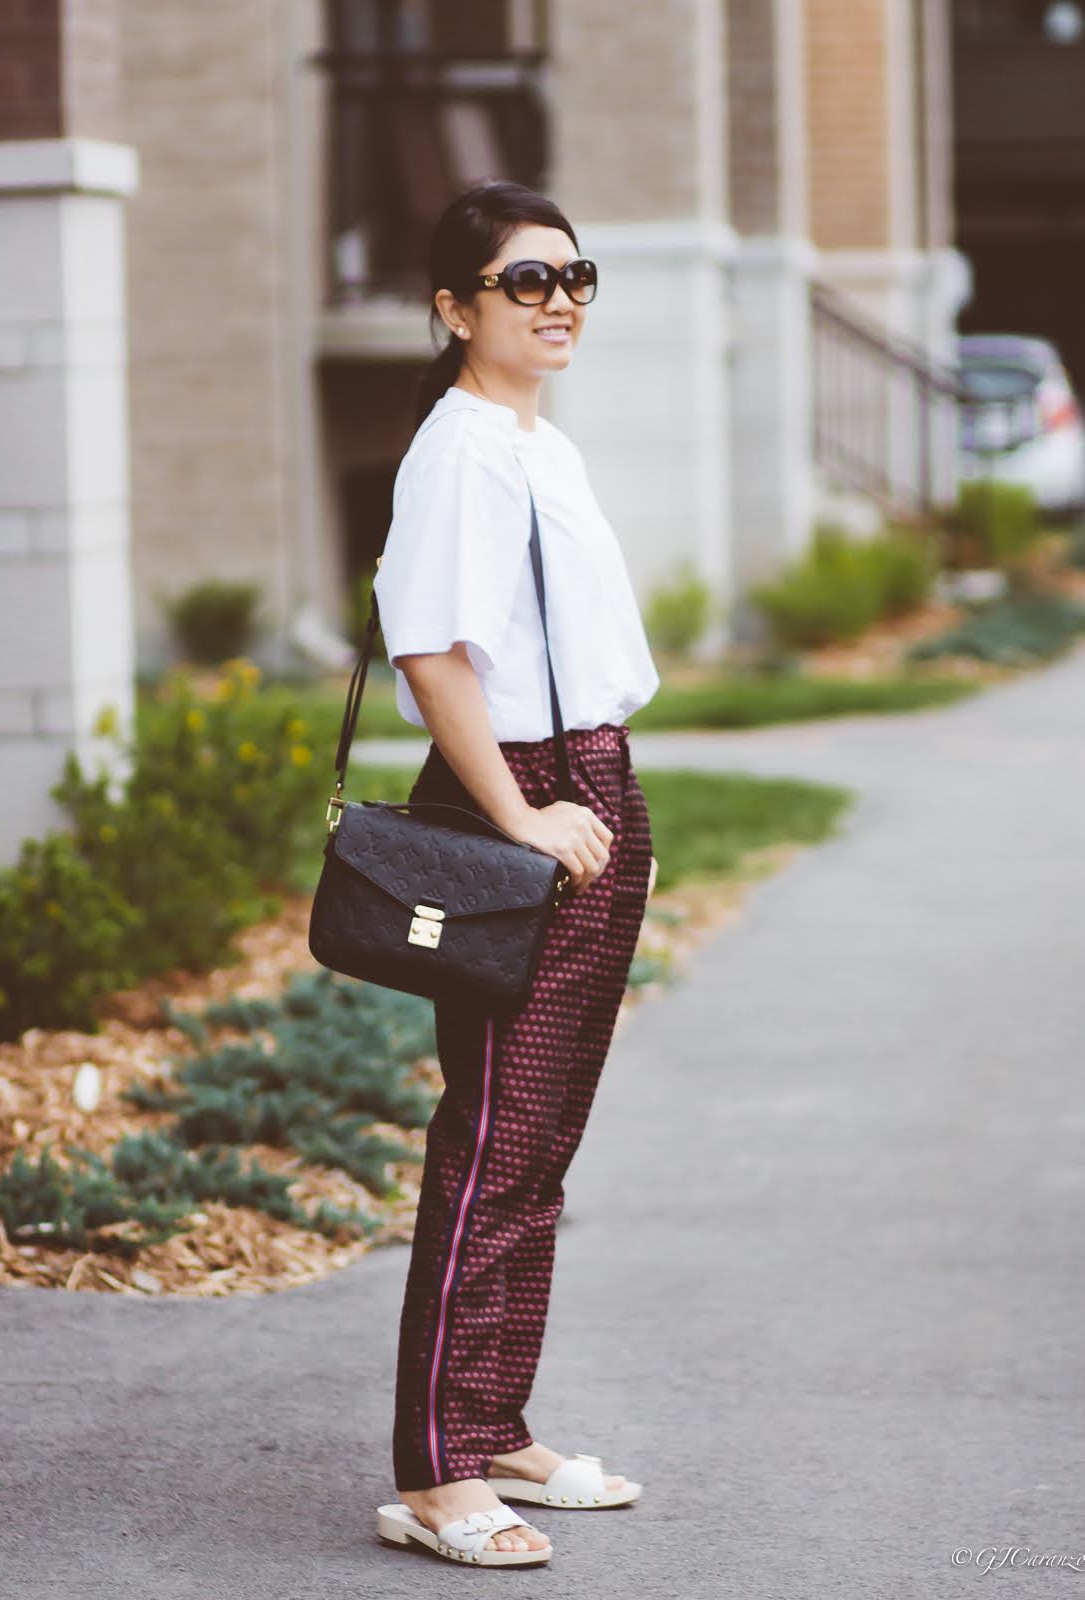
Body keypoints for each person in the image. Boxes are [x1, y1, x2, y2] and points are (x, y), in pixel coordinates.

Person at [371, 178, 660, 1570]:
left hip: (588, 782)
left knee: (538, 1141)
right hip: (529, 799)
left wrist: (580, 800)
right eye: (525, 282)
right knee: (489, 1140)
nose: (560, 303)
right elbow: (431, 651)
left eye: (575, 276)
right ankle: (436, 1473)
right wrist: (525, 812)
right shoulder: (462, 451)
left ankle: (491, 1419)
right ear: (455, 309)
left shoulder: (537, 443)